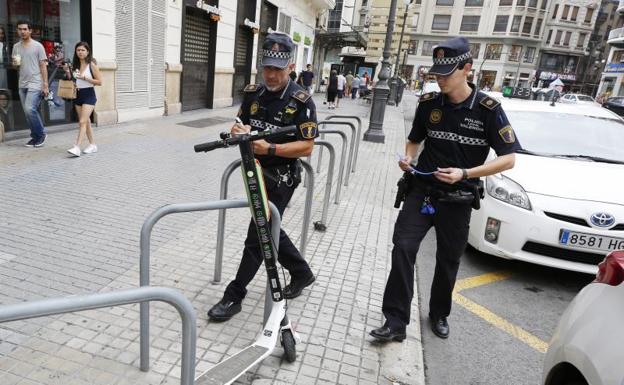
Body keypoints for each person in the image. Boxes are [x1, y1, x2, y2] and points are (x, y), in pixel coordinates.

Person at [369, 37, 521, 342]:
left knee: (448, 260)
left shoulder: (488, 110)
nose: (440, 80)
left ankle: (438, 314)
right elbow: (414, 139)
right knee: (403, 248)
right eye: (436, 74)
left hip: (459, 199)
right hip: (421, 190)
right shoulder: (429, 104)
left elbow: (508, 160)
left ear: (467, 69)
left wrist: (465, 173)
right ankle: (396, 321)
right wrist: (409, 157)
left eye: (446, 73)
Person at [207, 32, 317, 322]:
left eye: (277, 69)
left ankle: (235, 295)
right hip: (253, 171)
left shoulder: (301, 100)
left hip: (281, 177)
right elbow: (241, 121)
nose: (270, 75)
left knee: (258, 233)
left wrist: (271, 147)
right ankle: (302, 273)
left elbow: (307, 146)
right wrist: (237, 131)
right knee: (269, 229)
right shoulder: (253, 92)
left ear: (290, 67)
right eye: (267, 67)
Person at [12, 20, 48, 147]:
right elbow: (16, 66)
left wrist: (45, 85)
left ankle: (41, 134)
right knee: (29, 112)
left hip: (35, 82)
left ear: (30, 30)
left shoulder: (38, 46)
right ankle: (35, 137)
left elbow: (43, 66)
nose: (22, 31)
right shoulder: (16, 47)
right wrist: (15, 64)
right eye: (20, 29)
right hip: (22, 83)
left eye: (25, 29)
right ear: (17, 31)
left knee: (29, 109)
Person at [63, 42, 102, 157]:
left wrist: (85, 77)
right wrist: (67, 71)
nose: (80, 52)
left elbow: (100, 82)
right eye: (78, 50)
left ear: (87, 52)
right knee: (86, 121)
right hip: (78, 95)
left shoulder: (92, 65)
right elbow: (73, 79)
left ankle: (77, 147)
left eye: (83, 50)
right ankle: (93, 145)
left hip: (89, 94)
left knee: (82, 122)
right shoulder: (75, 65)